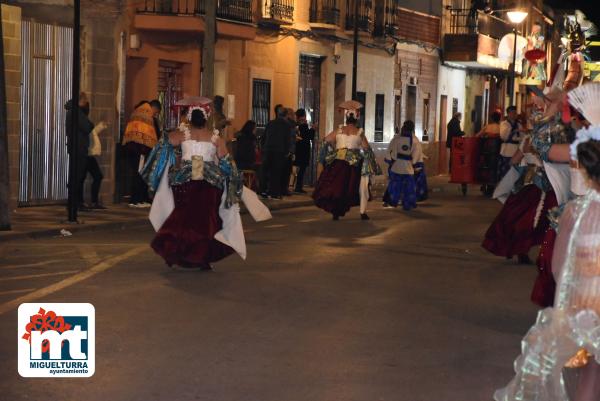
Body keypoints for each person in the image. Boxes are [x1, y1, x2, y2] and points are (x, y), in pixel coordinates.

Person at [494, 134, 600, 401]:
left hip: (586, 304)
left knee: (590, 373)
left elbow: (558, 267)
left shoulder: (574, 212)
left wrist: (570, 302)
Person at [149, 106, 242, 270]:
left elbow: (164, 144)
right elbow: (226, 159)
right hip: (209, 183)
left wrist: (175, 157)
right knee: (207, 220)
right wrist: (230, 177)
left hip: (185, 181)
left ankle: (175, 253)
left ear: (190, 120)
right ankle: (202, 258)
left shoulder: (182, 135)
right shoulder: (215, 138)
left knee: (182, 218)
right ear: (206, 120)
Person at [312, 102, 381, 221]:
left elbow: (325, 140)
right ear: (356, 118)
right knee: (361, 186)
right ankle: (362, 212)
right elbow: (366, 149)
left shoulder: (339, 130)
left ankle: (336, 212)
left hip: (338, 161)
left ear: (346, 118)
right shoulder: (359, 132)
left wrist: (332, 152)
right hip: (354, 163)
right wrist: (369, 162)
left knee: (336, 186)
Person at [122, 101, 158, 208]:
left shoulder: (136, 113)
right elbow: (149, 134)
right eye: (156, 112)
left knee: (137, 174)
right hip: (141, 150)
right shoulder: (147, 114)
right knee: (139, 174)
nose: (155, 114)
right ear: (154, 108)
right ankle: (135, 199)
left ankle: (138, 199)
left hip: (132, 148)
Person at [65, 92, 95, 211]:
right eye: (85, 100)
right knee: (77, 176)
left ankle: (76, 202)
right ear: (81, 100)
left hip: (75, 146)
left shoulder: (72, 111)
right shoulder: (76, 112)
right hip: (78, 147)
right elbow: (88, 126)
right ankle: (75, 203)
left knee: (76, 175)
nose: (86, 103)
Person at [382, 121, 420, 211]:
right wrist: (414, 164)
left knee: (395, 186)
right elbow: (416, 154)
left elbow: (391, 151)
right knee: (408, 188)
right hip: (408, 168)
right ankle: (408, 204)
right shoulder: (415, 140)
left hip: (397, 167)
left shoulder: (397, 138)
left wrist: (391, 160)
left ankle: (392, 201)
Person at [259, 105, 291, 200]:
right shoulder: (287, 125)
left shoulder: (270, 123)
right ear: (286, 115)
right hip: (279, 151)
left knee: (265, 171)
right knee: (276, 172)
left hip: (268, 150)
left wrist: (264, 148)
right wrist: (286, 151)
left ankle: (263, 190)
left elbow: (264, 137)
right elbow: (287, 139)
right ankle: (274, 193)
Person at [83, 103, 108, 210]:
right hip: (88, 154)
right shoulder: (84, 122)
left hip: (89, 154)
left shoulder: (85, 122)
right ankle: (92, 201)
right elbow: (89, 135)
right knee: (97, 176)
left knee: (96, 176)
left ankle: (93, 201)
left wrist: (101, 126)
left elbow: (92, 133)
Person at [498, 106, 525, 179]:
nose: (514, 114)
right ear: (508, 114)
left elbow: (523, 137)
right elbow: (503, 136)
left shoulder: (519, 124)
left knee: (515, 172)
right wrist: (514, 131)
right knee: (505, 171)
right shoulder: (504, 124)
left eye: (515, 113)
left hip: (517, 150)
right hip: (507, 150)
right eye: (512, 113)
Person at [294, 108, 315, 194]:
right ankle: (298, 187)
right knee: (302, 169)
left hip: (298, 148)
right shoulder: (303, 125)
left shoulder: (296, 124)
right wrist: (313, 129)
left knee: (300, 169)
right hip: (303, 149)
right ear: (303, 116)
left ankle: (298, 186)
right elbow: (309, 136)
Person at [280, 108, 297, 196]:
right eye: (293, 114)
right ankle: (284, 189)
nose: (294, 116)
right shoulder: (289, 124)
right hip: (288, 150)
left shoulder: (289, 124)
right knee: (286, 170)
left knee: (286, 170)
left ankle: (283, 188)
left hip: (287, 149)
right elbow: (290, 137)